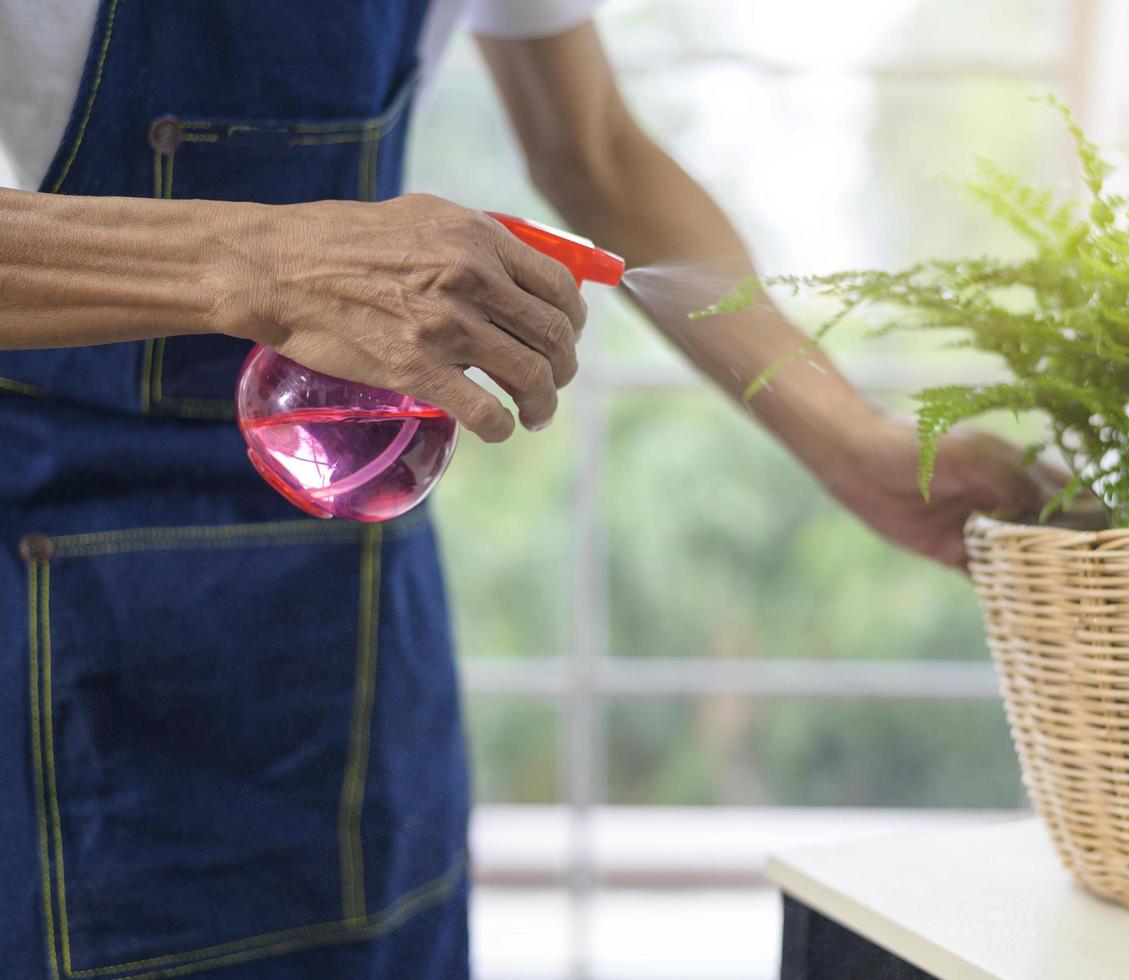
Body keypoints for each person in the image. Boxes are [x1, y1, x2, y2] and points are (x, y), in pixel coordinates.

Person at [0, 2, 1061, 977]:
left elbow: (596, 151)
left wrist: (852, 440)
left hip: (345, 615)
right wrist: (254, 258)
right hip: (46, 600)